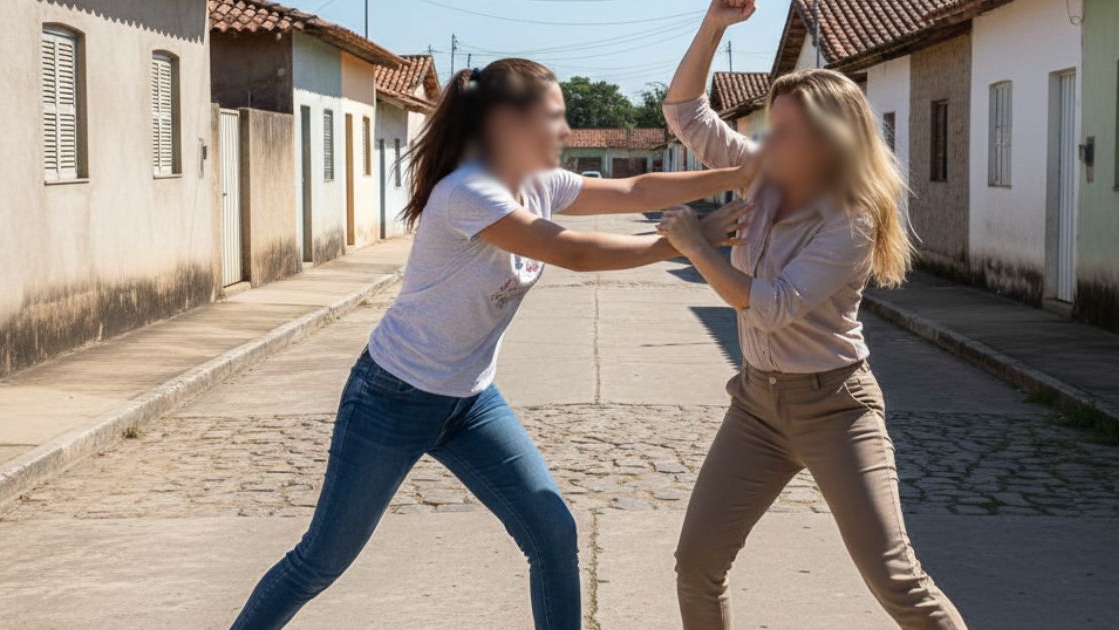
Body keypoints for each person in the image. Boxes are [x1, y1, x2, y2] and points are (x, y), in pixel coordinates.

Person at [229, 57, 753, 630]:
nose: (566, 131)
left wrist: (737, 174)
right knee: (321, 561)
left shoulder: (538, 183)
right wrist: (685, 242)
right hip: (392, 398)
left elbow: (635, 187)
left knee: (553, 535)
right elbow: (574, 253)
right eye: (554, 117)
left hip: (469, 401)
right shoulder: (468, 192)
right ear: (507, 123)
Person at [655, 2, 968, 629]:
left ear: (829, 142)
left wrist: (695, 245)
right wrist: (715, 25)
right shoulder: (762, 176)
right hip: (756, 405)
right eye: (770, 127)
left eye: (787, 131)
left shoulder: (849, 217)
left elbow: (771, 306)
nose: (770, 141)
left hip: (836, 408)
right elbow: (683, 112)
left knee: (896, 578)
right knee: (697, 564)